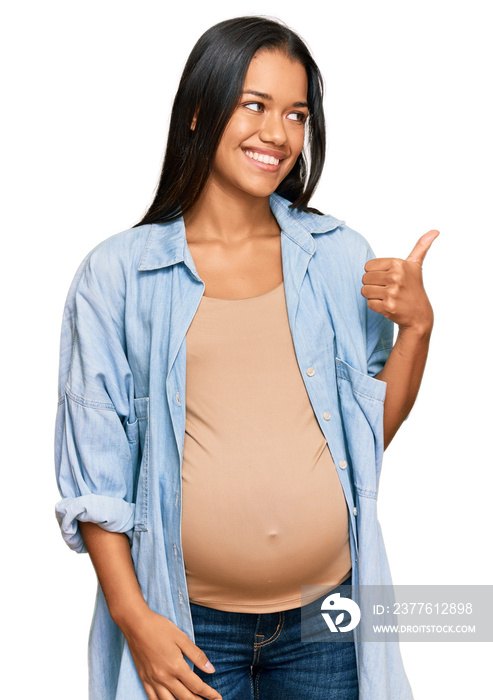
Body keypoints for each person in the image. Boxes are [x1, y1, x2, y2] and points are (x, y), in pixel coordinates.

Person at [54, 15, 438, 700]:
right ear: (199, 110)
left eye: (295, 114)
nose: (277, 135)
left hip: (331, 620)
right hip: (188, 626)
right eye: (253, 105)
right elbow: (96, 478)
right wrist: (134, 617)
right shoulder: (117, 274)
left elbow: (363, 442)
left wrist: (416, 330)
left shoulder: (338, 257)